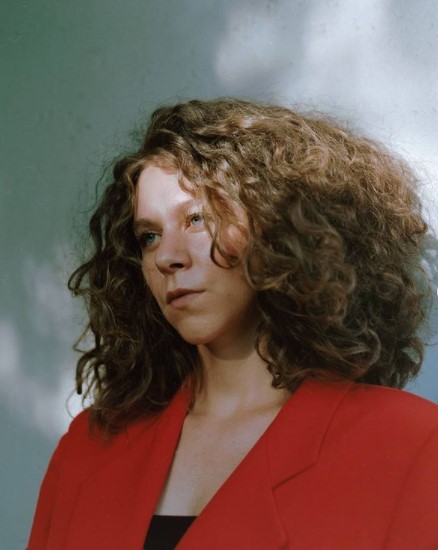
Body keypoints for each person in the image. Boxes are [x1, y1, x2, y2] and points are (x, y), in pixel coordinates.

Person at [28, 98, 438, 549]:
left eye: (197, 219)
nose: (167, 256)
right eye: (150, 236)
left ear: (280, 228)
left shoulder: (410, 444)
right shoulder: (89, 448)